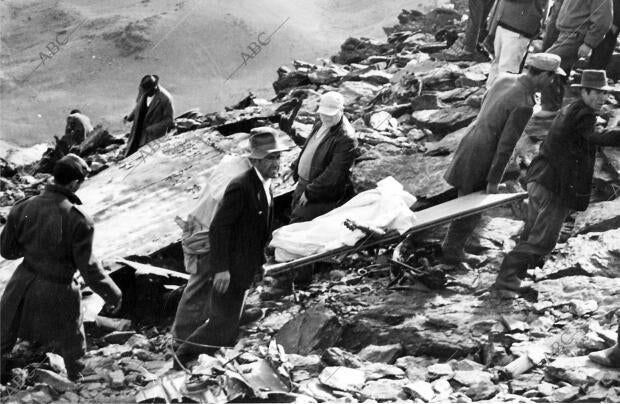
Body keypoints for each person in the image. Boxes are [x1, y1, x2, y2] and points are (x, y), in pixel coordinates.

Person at [493, 70, 620, 296]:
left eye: (605, 93)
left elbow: (587, 136)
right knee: (544, 241)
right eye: (597, 93)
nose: (602, 98)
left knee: (532, 232)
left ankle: (514, 277)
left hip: (540, 180)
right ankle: (506, 282)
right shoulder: (585, 115)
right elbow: (594, 137)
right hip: (554, 187)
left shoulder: (571, 108)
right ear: (584, 91)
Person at [172, 129, 289, 367]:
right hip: (226, 259)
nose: (276, 163)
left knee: (226, 318)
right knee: (219, 318)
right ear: (255, 159)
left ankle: (201, 349)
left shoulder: (264, 183)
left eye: (278, 157)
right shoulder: (240, 184)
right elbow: (220, 228)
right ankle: (183, 354)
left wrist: (258, 262)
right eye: (270, 158)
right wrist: (222, 269)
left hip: (243, 262)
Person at [0, 154, 122, 380]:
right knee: (72, 339)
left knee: (3, 333)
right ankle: (77, 378)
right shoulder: (79, 219)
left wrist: (31, 251)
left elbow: (6, 251)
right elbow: (89, 269)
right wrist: (113, 294)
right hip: (59, 288)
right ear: (75, 183)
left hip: (22, 283)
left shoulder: (24, 207)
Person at [442, 53, 564, 267]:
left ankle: (453, 248)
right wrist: (493, 180)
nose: (552, 82)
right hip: (484, 154)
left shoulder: (505, 78)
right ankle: (452, 252)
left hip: (471, 140)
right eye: (552, 77)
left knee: (465, 202)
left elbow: (485, 103)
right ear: (543, 75)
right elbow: (506, 145)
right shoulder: (525, 102)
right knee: (471, 207)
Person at [281, 91, 358, 223]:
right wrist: (294, 166)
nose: (326, 118)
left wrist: (311, 192)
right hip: (303, 184)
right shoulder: (320, 123)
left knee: (298, 224)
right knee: (293, 214)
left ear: (342, 110)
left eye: (331, 114)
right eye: (324, 113)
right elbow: (309, 148)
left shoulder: (346, 138)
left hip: (320, 195)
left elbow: (334, 173)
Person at [534, 0, 612, 119]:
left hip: (576, 36)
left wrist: (589, 43)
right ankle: (553, 108)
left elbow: (603, 20)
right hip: (566, 33)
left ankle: (550, 108)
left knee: (547, 64)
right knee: (558, 71)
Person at [485, 0, 549, 87]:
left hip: (517, 26)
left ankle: (498, 97)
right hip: (507, 22)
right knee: (499, 66)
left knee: (507, 71)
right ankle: (491, 96)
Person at [124, 74, 174, 157]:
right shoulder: (144, 92)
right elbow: (138, 106)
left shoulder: (165, 99)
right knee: (131, 153)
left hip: (154, 137)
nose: (145, 94)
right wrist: (130, 117)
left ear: (154, 87)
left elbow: (169, 120)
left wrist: (152, 128)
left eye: (147, 92)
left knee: (144, 158)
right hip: (139, 133)